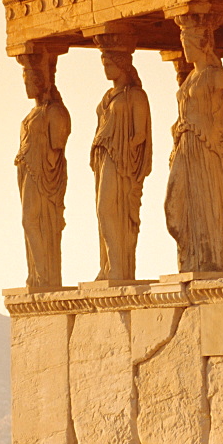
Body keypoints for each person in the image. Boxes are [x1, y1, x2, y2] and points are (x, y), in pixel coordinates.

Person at [164, 19, 223, 272]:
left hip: (204, 146)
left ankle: (209, 258)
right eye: (183, 44)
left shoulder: (217, 77)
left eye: (188, 43)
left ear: (203, 45)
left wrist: (217, 134)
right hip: (185, 144)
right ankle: (190, 256)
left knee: (206, 202)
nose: (185, 50)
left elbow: (220, 118)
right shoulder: (191, 78)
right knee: (174, 205)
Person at [91, 49, 152, 281]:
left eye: (109, 64)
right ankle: (106, 266)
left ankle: (118, 267)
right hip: (104, 156)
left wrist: (126, 152)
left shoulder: (136, 95)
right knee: (103, 211)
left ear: (122, 64)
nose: (105, 69)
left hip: (122, 160)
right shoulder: (108, 96)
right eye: (103, 64)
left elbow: (140, 134)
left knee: (108, 209)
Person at [14, 53, 71, 289]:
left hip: (44, 174)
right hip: (29, 171)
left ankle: (46, 275)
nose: (26, 85)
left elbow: (58, 143)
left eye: (30, 80)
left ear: (41, 82)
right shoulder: (32, 114)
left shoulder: (54, 111)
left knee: (35, 220)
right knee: (29, 221)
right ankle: (38, 275)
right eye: (25, 80)